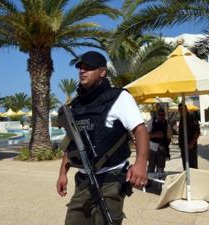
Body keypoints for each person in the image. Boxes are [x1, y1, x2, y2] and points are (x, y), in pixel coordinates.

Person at [56, 51, 149, 225]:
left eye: (88, 68)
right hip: (83, 180)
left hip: (110, 179)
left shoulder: (119, 97)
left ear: (102, 71)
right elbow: (73, 141)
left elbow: (140, 130)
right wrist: (63, 173)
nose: (82, 71)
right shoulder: (76, 105)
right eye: (80, 68)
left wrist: (141, 164)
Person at [147, 108, 172, 173]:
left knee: (160, 168)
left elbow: (169, 138)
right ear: (157, 115)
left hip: (162, 149)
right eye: (159, 115)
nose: (161, 116)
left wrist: (164, 145)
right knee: (151, 167)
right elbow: (146, 135)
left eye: (163, 115)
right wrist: (155, 135)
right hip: (152, 148)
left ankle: (158, 183)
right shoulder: (151, 123)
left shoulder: (167, 125)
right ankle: (149, 182)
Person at [178, 103, 200, 169]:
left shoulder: (192, 117)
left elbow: (197, 132)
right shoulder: (182, 118)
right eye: (179, 109)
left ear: (186, 109)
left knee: (193, 167)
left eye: (182, 109)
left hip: (191, 147)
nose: (181, 111)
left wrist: (191, 144)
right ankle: (188, 179)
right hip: (183, 147)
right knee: (185, 167)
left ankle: (194, 179)